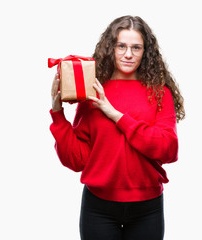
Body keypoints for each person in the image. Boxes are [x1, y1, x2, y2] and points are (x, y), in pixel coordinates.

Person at [49, 15, 185, 240]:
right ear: (110, 48)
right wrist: (57, 113)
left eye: (136, 47)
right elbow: (77, 160)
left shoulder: (160, 93)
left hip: (147, 208)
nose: (128, 54)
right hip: (99, 207)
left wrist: (114, 114)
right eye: (121, 46)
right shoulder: (92, 89)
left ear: (146, 52)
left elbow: (168, 149)